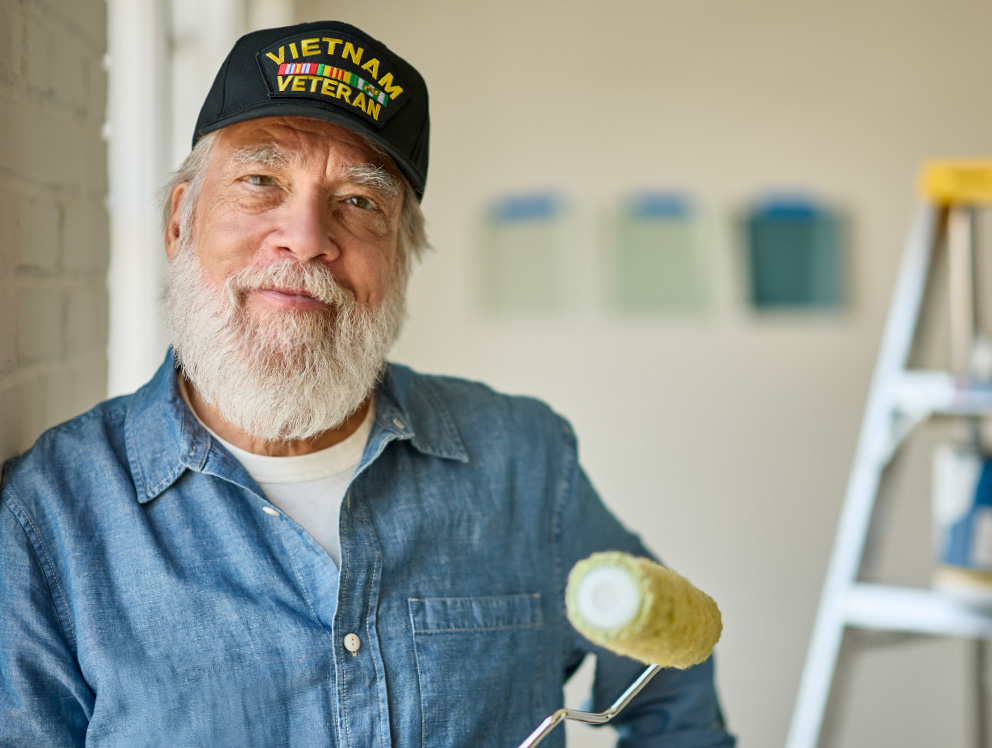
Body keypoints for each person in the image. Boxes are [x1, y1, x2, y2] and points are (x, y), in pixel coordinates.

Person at [0, 20, 735, 748]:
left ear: (402, 260)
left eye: (360, 201)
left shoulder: (525, 460)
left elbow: (671, 677)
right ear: (179, 225)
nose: (306, 237)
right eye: (261, 181)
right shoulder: (50, 519)